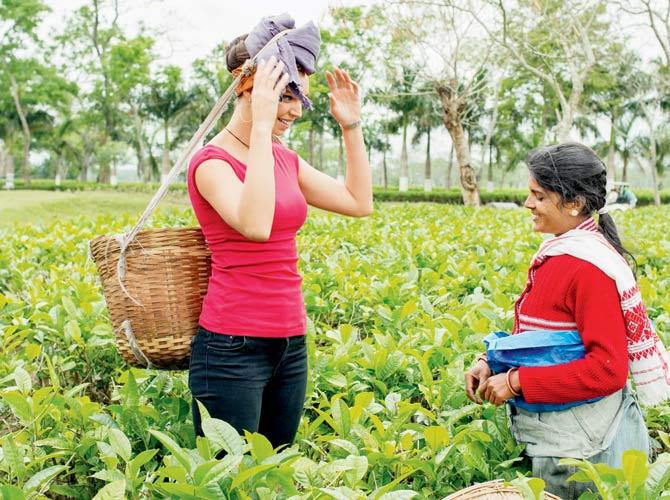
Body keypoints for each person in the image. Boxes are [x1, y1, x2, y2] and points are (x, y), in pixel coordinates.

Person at [186, 14, 372, 449]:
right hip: (232, 346)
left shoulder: (283, 158)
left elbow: (358, 203)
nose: (292, 110)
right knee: (229, 479)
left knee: (275, 472)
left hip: (290, 341)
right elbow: (255, 224)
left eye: (299, 99)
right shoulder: (211, 163)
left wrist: (351, 126)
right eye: (285, 96)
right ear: (247, 88)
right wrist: (263, 127)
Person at [464, 143, 670, 499]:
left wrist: (515, 382)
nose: (528, 204)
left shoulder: (588, 269)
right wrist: (491, 362)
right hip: (562, 436)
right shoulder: (561, 252)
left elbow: (607, 370)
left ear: (573, 203)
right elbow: (543, 338)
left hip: (582, 449)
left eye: (538, 195)